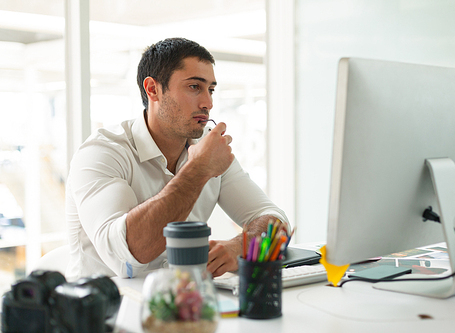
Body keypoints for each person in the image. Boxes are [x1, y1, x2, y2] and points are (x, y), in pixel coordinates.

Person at [65, 37, 289, 281]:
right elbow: (129, 254)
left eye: (211, 89)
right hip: (107, 308)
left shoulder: (206, 148)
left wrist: (239, 246)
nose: (208, 103)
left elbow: (274, 218)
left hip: (181, 305)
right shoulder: (102, 152)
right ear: (153, 89)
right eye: (194, 87)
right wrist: (199, 169)